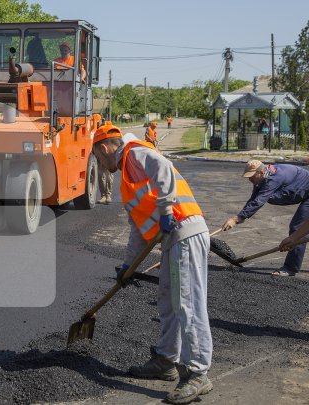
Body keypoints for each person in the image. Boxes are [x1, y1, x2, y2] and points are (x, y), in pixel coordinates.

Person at [92, 122, 213, 404]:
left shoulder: (134, 152)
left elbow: (163, 168)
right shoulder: (128, 177)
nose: (98, 162)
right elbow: (138, 229)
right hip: (172, 238)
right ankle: (166, 360)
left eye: (97, 156)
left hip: (185, 228)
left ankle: (198, 373)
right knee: (169, 302)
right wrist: (127, 266)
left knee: (188, 302)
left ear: (104, 147)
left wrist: (167, 209)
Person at [222, 159, 309, 276]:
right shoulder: (262, 178)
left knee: (297, 228)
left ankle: (290, 268)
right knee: (269, 196)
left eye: (252, 176)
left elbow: (259, 200)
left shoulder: (274, 178)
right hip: (301, 189)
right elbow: (254, 198)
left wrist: (237, 219)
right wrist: (238, 218)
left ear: (261, 172)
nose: (250, 179)